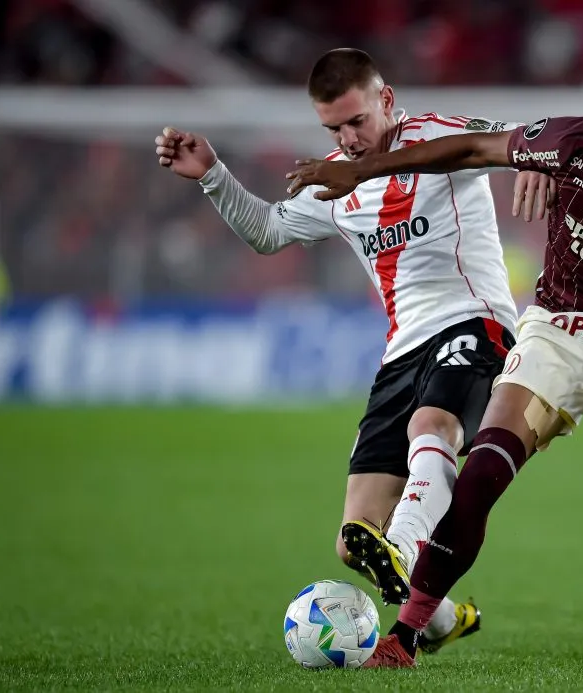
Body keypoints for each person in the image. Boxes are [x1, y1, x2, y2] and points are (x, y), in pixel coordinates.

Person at [284, 95, 583, 668]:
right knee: (483, 472)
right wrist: (362, 170)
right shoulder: (575, 144)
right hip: (557, 326)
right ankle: (405, 637)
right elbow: (471, 147)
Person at [153, 48, 553, 653]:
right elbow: (268, 232)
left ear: (386, 100)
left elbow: (520, 140)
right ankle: (443, 619)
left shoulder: (440, 138)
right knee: (352, 539)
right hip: (402, 353)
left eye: (357, 121)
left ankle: (412, 539)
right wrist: (212, 174)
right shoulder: (336, 181)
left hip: (477, 324)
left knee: (434, 423)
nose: (348, 138)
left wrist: (537, 161)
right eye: (334, 128)